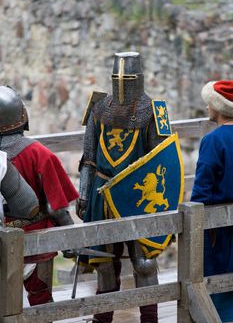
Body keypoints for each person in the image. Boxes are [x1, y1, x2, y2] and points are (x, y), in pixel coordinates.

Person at [77, 52, 167, 323]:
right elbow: (88, 158)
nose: (120, 83)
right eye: (117, 77)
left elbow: (161, 161)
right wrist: (83, 193)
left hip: (138, 195)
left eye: (126, 78)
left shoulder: (155, 110)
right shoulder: (98, 107)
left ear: (137, 79)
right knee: (104, 264)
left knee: (144, 263)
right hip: (101, 194)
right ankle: (102, 319)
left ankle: (149, 319)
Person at [0, 85, 79, 306]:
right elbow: (56, 208)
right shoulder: (39, 153)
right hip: (36, 239)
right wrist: (72, 241)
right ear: (21, 116)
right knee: (41, 301)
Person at [191, 80, 233, 322]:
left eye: (210, 104)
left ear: (219, 107)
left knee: (218, 288)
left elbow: (201, 192)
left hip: (219, 232)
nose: (207, 108)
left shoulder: (213, 141)